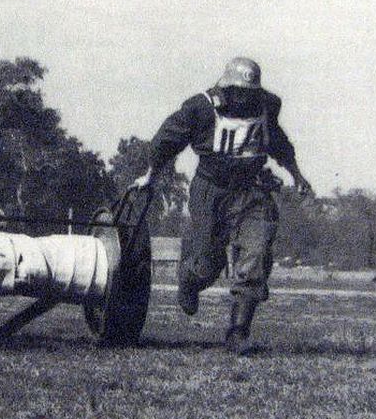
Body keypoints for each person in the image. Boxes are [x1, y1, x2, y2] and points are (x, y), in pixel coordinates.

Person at [132, 57, 311, 353]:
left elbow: (278, 142)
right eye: (239, 91)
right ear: (226, 86)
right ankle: (189, 279)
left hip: (252, 191)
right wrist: (150, 175)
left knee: (257, 254)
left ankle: (238, 332)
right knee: (208, 264)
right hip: (211, 192)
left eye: (250, 92)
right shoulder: (201, 108)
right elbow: (166, 140)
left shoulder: (266, 106)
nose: (245, 98)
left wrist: (297, 175)